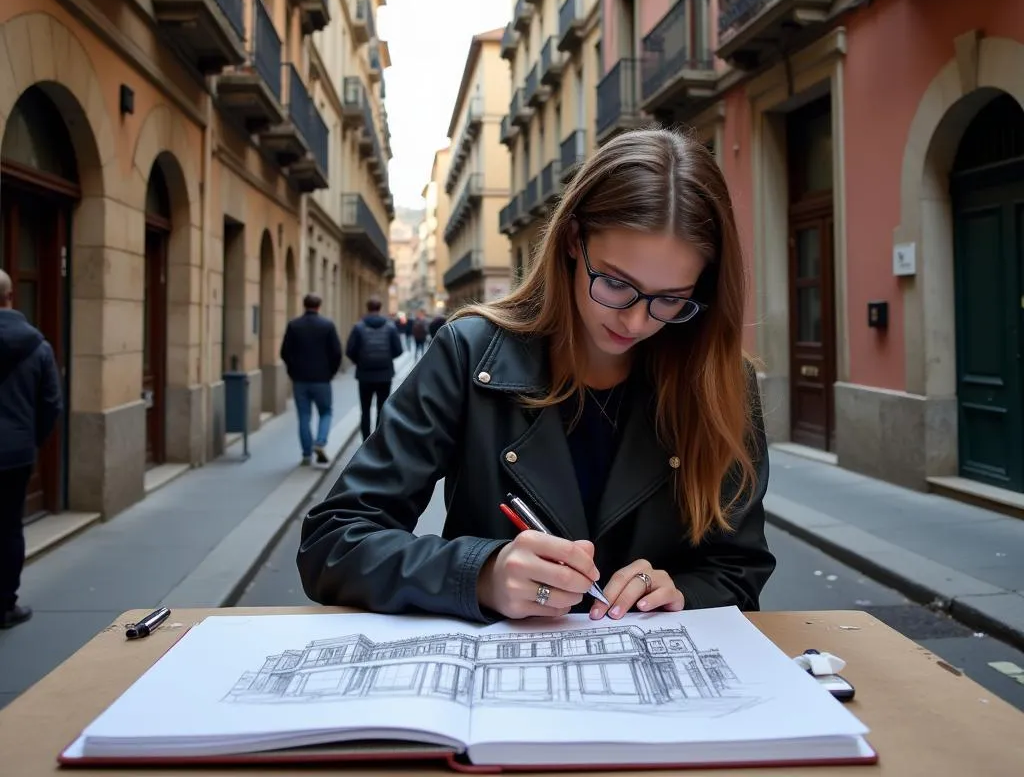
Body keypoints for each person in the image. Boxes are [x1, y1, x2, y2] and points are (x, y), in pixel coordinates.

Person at [297, 128, 776, 624]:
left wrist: (682, 592)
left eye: (670, 298)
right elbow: (333, 541)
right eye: (615, 283)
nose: (636, 322)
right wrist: (480, 573)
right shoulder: (469, 354)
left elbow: (739, 568)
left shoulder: (722, 381)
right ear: (573, 241)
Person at [0, 269, 63, 628]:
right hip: (16, 452)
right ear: (11, 296)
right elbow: (51, 403)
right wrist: (30, 438)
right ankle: (5, 605)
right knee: (9, 527)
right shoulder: (37, 346)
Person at [280, 293, 343, 465]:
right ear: (319, 306)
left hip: (300, 379)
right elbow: (337, 353)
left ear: (304, 305)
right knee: (326, 412)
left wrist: (293, 371)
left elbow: (285, 352)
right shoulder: (327, 325)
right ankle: (321, 442)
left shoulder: (294, 325)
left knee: (304, 416)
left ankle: (306, 453)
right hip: (322, 379)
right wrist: (331, 372)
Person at [346, 297, 403, 442]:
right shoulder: (390, 327)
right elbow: (398, 350)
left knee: (365, 410)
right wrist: (387, 358)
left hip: (364, 375)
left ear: (367, 308)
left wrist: (360, 362)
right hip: (385, 374)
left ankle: (365, 440)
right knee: (382, 408)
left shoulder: (358, 327)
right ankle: (378, 440)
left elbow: (350, 350)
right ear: (380, 308)